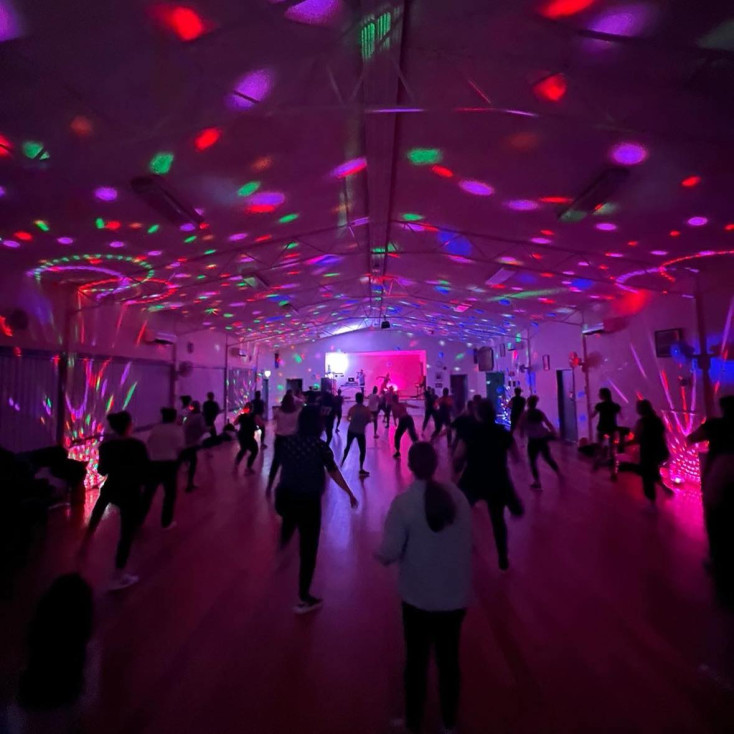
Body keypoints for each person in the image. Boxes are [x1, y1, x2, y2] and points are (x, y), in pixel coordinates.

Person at [376, 442, 472, 734]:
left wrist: (376, 553)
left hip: (417, 597)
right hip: (456, 596)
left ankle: (414, 721)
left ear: (409, 464)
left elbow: (389, 551)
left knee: (416, 661)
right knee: (449, 659)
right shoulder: (457, 497)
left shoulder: (404, 503)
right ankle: (449, 721)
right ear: (435, 464)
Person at [277, 407, 358, 614]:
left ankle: (283, 545)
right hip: (308, 501)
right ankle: (304, 597)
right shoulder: (320, 447)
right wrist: (349, 492)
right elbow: (333, 472)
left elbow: (281, 468)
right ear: (317, 424)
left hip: (286, 496)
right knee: (308, 548)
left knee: (289, 520)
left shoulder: (287, 444)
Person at [7, 574, 97, 734]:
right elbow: (88, 698)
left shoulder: (32, 638)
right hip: (62, 712)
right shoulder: (88, 651)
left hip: (26, 708)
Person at [81, 412, 148, 590]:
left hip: (112, 487)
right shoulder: (137, 445)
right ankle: (118, 574)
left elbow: (102, 471)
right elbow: (144, 470)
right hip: (131, 491)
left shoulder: (106, 446)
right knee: (126, 534)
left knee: (97, 512)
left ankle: (86, 541)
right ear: (128, 426)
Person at [453, 400, 522, 571]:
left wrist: (457, 468)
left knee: (460, 512)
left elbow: (458, 456)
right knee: (498, 520)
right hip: (497, 480)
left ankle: (466, 544)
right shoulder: (503, 432)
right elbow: (516, 457)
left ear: (477, 414)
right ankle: (502, 557)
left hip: (472, 479)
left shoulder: (470, 432)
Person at [688, 395, 734, 586]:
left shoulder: (716, 425)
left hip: (720, 474)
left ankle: (717, 563)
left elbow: (692, 438)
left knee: (715, 520)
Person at [142, 407, 185, 529]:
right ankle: (166, 522)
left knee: (148, 494)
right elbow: (180, 448)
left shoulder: (156, 429)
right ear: (174, 417)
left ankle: (138, 520)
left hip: (154, 464)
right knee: (170, 494)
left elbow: (149, 444)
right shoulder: (177, 430)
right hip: (169, 465)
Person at [517, 395, 561, 490]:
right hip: (542, 438)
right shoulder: (539, 413)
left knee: (532, 461)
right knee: (547, 457)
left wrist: (521, 436)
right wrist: (554, 432)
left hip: (533, 440)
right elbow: (548, 423)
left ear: (528, 404)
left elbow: (520, 426)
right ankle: (558, 472)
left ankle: (537, 482)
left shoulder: (524, 414)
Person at [267, 392, 300, 491]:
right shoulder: (297, 413)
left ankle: (269, 485)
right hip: (292, 439)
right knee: (290, 461)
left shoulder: (278, 411)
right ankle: (287, 484)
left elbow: (274, 418)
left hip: (279, 438)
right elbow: (301, 403)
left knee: (276, 462)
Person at [591, 387, 622, 480]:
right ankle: (614, 473)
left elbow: (592, 415)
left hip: (602, 429)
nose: (598, 395)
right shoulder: (615, 406)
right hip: (612, 429)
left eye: (599, 394)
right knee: (613, 451)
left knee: (599, 448)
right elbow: (621, 416)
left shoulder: (600, 406)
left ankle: (596, 463)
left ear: (603, 395)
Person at [341, 392, 372, 477]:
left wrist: (353, 420)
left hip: (351, 430)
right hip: (360, 432)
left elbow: (348, 418)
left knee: (347, 446)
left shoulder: (352, 408)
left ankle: (342, 462)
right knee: (362, 450)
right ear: (362, 399)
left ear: (356, 399)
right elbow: (369, 420)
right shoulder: (366, 410)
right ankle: (361, 468)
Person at [181, 401, 207, 492]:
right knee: (193, 462)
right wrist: (208, 429)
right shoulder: (199, 417)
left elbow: (184, 427)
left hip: (185, 441)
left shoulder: (189, 416)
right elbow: (203, 428)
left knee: (188, 459)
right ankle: (189, 484)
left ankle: (189, 482)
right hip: (192, 442)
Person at [234, 403, 259, 475]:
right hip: (247, 436)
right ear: (252, 409)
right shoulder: (254, 416)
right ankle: (248, 468)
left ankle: (237, 464)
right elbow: (260, 424)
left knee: (243, 449)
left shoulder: (242, 416)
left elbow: (235, 423)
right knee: (254, 450)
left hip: (242, 435)